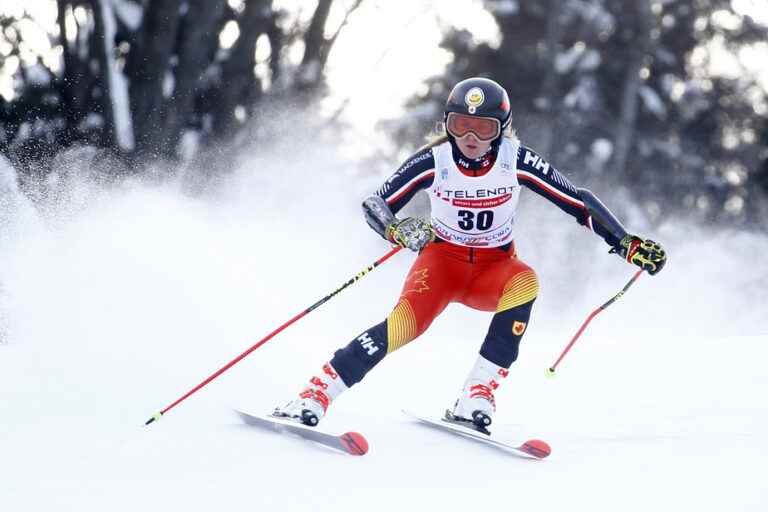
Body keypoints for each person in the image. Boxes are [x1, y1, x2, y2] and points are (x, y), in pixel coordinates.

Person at [274, 77, 667, 431]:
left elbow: (576, 201)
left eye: (483, 127)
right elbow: (376, 203)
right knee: (402, 328)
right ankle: (315, 394)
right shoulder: (435, 160)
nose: (471, 136)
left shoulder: (517, 160)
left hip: (494, 268)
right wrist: (396, 230)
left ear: (501, 129)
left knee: (526, 282)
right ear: (448, 124)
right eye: (460, 124)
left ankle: (476, 394)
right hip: (441, 264)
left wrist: (625, 242)